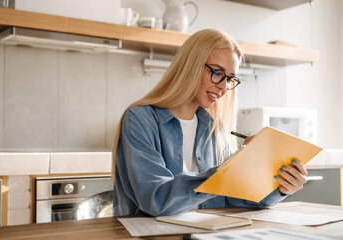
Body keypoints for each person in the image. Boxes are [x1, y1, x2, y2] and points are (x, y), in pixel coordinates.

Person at [111, 29, 308, 217]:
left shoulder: (215, 129)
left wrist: (279, 186)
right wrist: (228, 171)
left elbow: (235, 196)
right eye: (217, 73)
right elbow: (156, 199)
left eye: (230, 79)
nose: (223, 87)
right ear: (191, 65)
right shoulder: (139, 119)